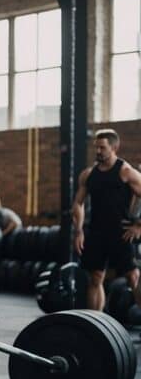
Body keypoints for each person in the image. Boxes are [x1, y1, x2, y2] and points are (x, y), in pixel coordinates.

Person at [72, 129, 141, 310]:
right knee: (95, 278)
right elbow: (78, 204)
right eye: (96, 148)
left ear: (114, 147)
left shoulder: (126, 171)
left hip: (122, 232)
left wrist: (139, 226)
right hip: (96, 232)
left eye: (102, 148)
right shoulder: (88, 174)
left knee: (133, 276)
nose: (98, 151)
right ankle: (95, 323)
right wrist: (78, 231)